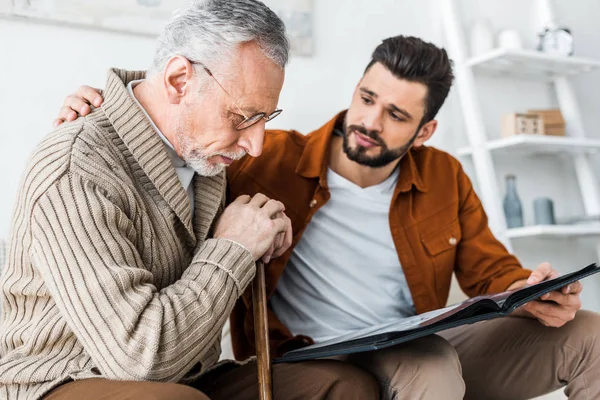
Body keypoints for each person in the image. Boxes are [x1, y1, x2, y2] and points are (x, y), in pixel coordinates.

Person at [56, 35, 600, 399]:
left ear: (424, 131)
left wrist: (535, 292)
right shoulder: (264, 158)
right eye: (366, 98)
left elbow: (491, 275)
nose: (368, 120)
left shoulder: (443, 175)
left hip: (416, 337)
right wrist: (101, 113)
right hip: (315, 355)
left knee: (590, 332)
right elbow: (178, 150)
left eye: (395, 115)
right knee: (432, 370)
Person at [0, 1, 381, 400]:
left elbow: (253, 215)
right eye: (242, 117)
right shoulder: (75, 168)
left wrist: (267, 222)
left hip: (186, 377)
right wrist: (232, 248)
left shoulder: (204, 155)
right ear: (180, 81)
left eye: (265, 118)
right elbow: (138, 359)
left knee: (344, 386)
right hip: (62, 382)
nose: (255, 146)